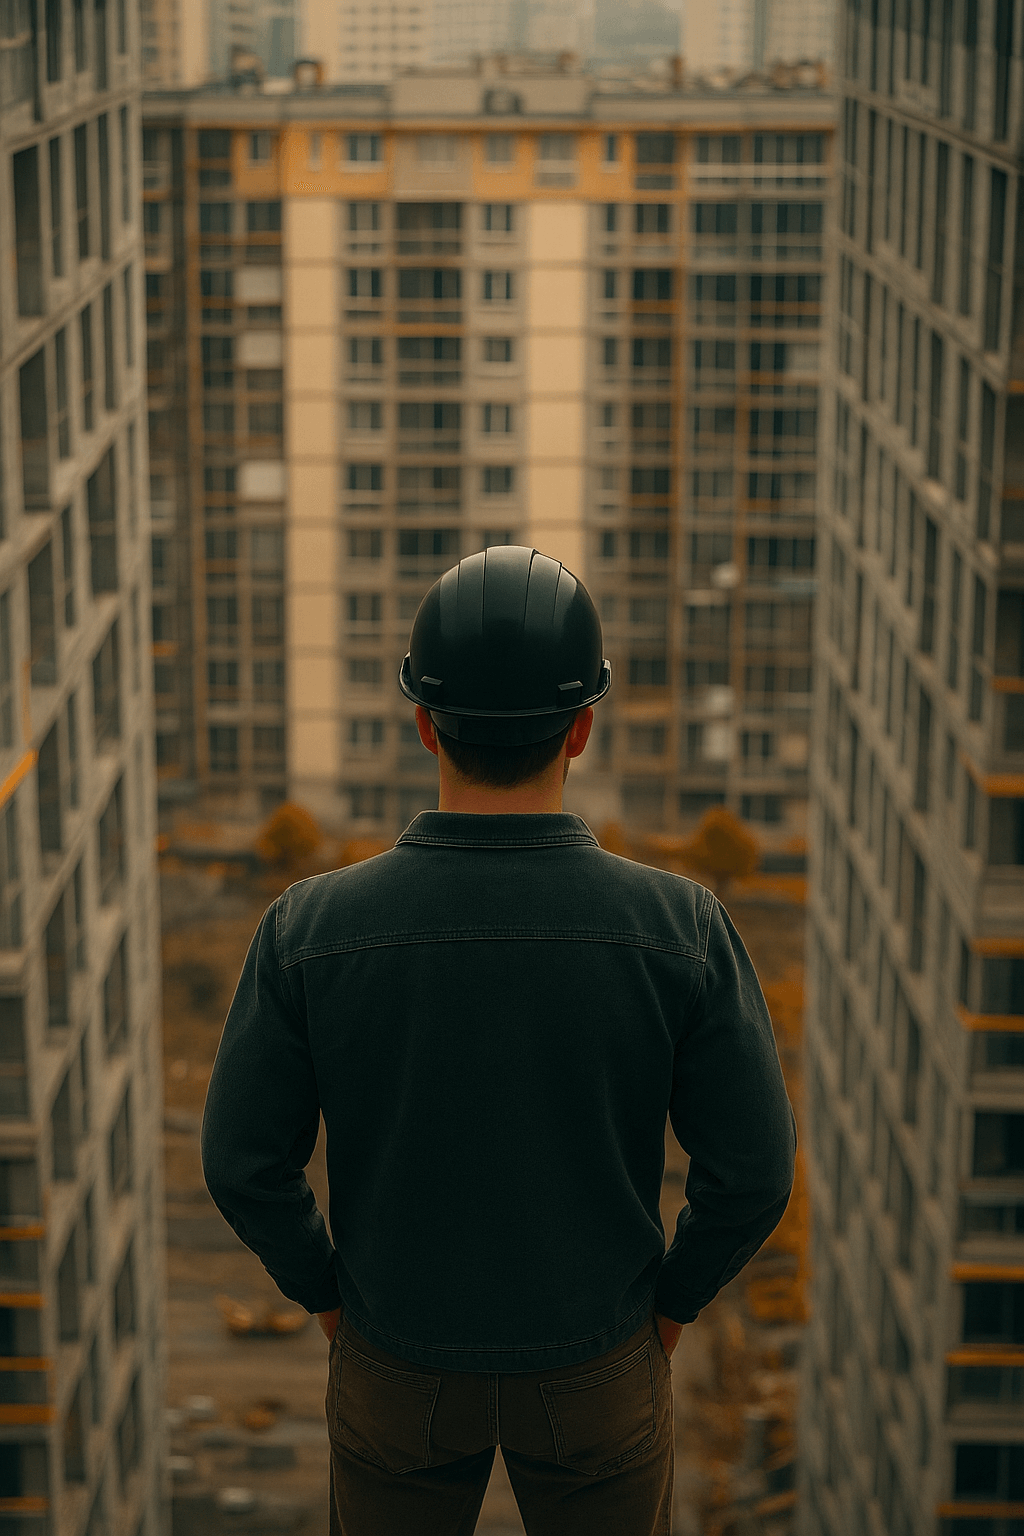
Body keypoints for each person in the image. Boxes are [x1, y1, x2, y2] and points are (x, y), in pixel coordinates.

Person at [202, 545, 797, 1536]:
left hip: (396, 1363)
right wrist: (670, 1306)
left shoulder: (307, 930)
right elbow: (754, 1173)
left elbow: (241, 1164)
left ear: (424, 722)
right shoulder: (680, 929)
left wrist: (329, 1297)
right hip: (598, 1364)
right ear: (583, 729)